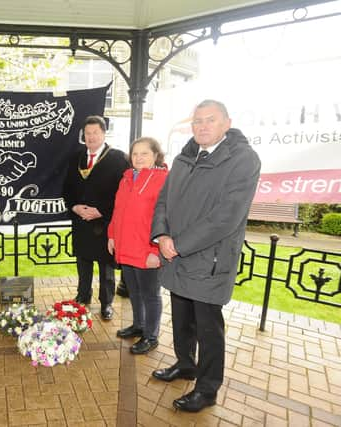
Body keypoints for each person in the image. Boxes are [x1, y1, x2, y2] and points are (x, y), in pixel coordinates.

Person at [150, 100, 260, 412]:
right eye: (197, 120)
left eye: (210, 120)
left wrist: (178, 243)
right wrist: (161, 235)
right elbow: (163, 201)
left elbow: (226, 217)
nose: (202, 126)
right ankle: (185, 364)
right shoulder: (186, 157)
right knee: (182, 318)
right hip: (177, 254)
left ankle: (208, 388)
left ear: (227, 122)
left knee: (209, 328)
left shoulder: (243, 159)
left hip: (209, 260)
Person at [63, 115, 128, 320]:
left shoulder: (118, 158)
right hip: (81, 221)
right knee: (83, 262)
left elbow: (122, 193)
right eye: (87, 133)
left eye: (95, 133)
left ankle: (106, 303)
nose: (91, 137)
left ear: (103, 133)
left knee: (105, 267)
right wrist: (74, 207)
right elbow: (67, 187)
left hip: (104, 223)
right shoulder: (76, 157)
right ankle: (83, 296)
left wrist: (101, 210)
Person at [109, 137, 167, 354]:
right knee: (134, 291)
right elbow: (117, 211)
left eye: (144, 153)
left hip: (146, 249)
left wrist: (155, 250)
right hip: (126, 247)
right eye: (135, 154)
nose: (139, 157)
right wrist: (112, 236)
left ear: (155, 155)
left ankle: (151, 337)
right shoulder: (126, 178)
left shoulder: (163, 180)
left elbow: (166, 218)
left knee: (151, 294)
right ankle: (138, 325)